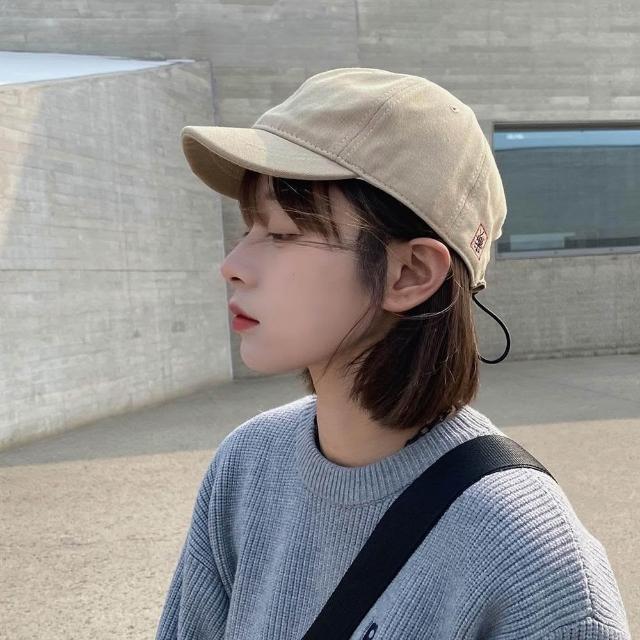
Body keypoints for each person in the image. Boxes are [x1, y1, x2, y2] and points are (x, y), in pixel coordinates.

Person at [155, 68, 631, 639]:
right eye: (248, 229)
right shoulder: (246, 465)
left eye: (280, 233)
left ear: (409, 273)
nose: (232, 265)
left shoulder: (531, 557)